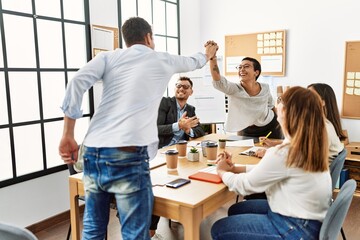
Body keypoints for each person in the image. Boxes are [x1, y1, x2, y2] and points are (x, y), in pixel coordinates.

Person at [58, 17, 218, 240]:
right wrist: (208, 53)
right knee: (134, 232)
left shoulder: (109, 57)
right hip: (128, 152)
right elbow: (194, 61)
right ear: (149, 37)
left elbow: (76, 81)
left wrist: (67, 134)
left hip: (93, 150)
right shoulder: (161, 59)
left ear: (126, 40)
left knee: (94, 227)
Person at [211, 86, 332, 239]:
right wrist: (235, 168)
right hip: (310, 222)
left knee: (219, 229)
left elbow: (245, 186)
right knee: (236, 210)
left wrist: (222, 171)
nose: (276, 105)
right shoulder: (309, 145)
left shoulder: (285, 152)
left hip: (293, 228)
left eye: (280, 100)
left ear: (287, 112)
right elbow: (271, 170)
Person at [205, 40, 282, 139]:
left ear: (256, 72)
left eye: (246, 66)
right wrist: (212, 58)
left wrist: (281, 123)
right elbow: (218, 81)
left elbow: (271, 106)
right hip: (248, 131)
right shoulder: (234, 89)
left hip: (271, 126)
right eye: (240, 67)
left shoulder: (265, 87)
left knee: (272, 153)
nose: (242, 69)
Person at [257, 83, 345, 160]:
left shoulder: (321, 128)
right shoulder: (323, 123)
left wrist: (269, 154)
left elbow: (300, 155)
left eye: (311, 96)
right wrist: (274, 143)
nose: (305, 98)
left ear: (322, 102)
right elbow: (300, 144)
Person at [157, 76, 205, 148]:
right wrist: (179, 125)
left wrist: (188, 130)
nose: (181, 88)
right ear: (175, 89)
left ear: (191, 92)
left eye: (185, 86)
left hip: (182, 148)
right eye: (178, 86)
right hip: (164, 148)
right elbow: (156, 129)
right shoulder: (164, 102)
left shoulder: (190, 109)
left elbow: (200, 131)